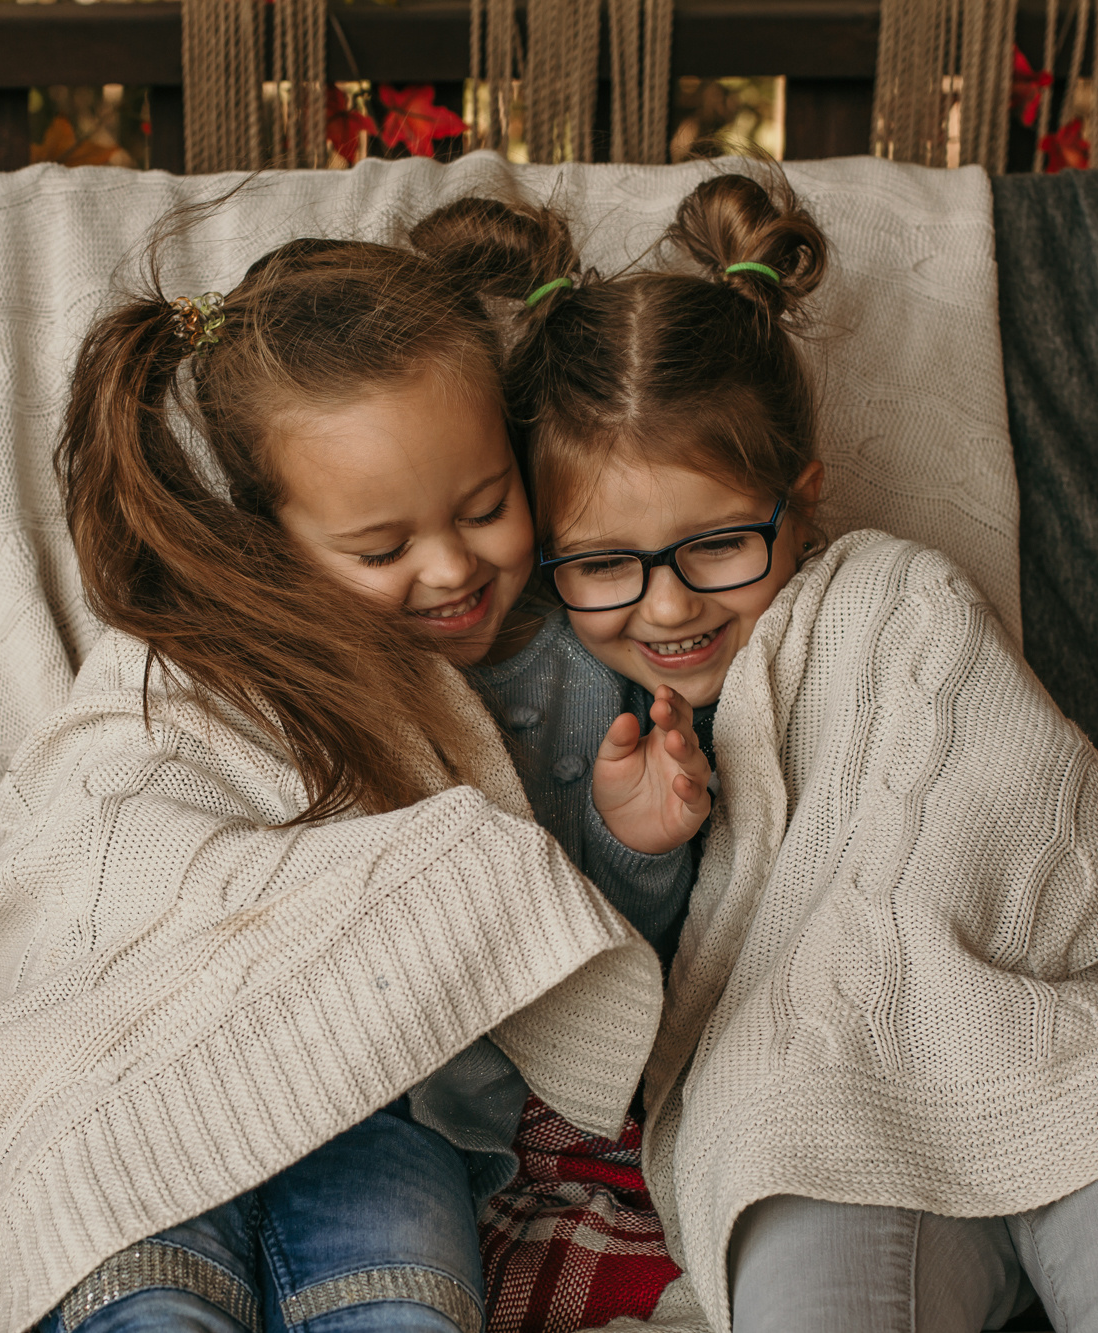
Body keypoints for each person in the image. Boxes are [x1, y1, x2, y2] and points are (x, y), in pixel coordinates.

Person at [407, 170, 1098, 1333]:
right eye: (604, 563)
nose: (667, 606)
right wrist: (639, 847)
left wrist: (909, 958)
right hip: (810, 1090)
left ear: (800, 500)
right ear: (545, 552)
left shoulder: (894, 600)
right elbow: (577, 1018)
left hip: (1066, 1035)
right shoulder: (553, 712)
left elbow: (1013, 808)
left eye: (717, 543)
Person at [40, 227, 674, 1333]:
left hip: (403, 1108)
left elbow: (579, 951)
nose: (450, 567)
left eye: (484, 508)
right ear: (271, 532)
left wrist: (637, 843)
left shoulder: (578, 670)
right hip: (163, 1080)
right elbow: (108, 860)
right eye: (381, 549)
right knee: (142, 1310)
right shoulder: (200, 661)